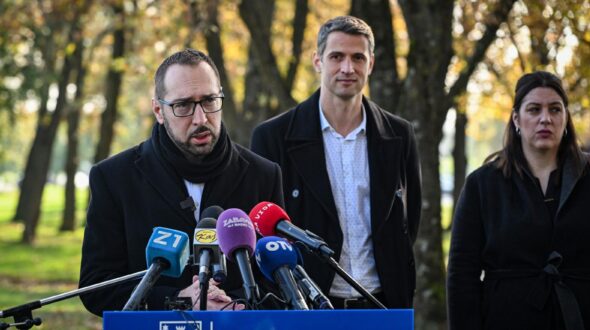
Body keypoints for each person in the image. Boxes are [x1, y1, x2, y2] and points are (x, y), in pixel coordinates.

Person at [79, 49, 284, 316]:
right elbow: (97, 287)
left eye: (209, 101)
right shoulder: (113, 178)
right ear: (159, 110)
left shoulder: (264, 175)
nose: (200, 118)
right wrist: (177, 299)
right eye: (183, 105)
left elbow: (280, 279)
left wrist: (234, 305)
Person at [250, 16, 421, 309]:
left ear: (371, 64)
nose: (347, 68)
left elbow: (409, 220)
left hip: (382, 303)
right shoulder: (272, 138)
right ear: (318, 61)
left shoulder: (399, 135)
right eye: (336, 57)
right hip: (306, 306)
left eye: (357, 57)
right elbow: (262, 231)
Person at [447, 71, 590, 329]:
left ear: (565, 118)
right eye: (534, 109)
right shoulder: (483, 185)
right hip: (507, 318)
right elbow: (462, 275)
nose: (545, 119)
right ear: (516, 119)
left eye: (554, 109)